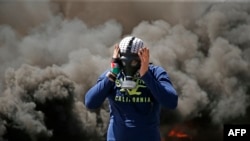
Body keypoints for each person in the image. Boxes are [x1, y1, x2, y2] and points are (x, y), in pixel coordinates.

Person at [84, 36, 178, 141]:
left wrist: (146, 75)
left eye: (133, 62)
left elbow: (171, 102)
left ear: (143, 57)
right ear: (118, 59)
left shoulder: (155, 73)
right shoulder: (112, 75)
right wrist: (112, 75)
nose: (128, 66)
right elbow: (90, 102)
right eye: (124, 62)